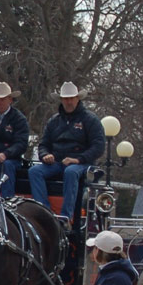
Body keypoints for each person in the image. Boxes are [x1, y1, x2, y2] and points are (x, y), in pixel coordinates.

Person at [28, 82, 105, 224]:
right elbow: (43, 144)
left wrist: (78, 159)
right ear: (61, 100)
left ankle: (66, 217)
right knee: (34, 171)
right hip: (57, 162)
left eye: (71, 98)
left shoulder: (90, 120)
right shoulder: (54, 121)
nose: (68, 102)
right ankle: (44, 211)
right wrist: (45, 155)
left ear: (77, 99)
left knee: (70, 172)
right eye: (65, 99)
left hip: (81, 164)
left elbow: (99, 146)